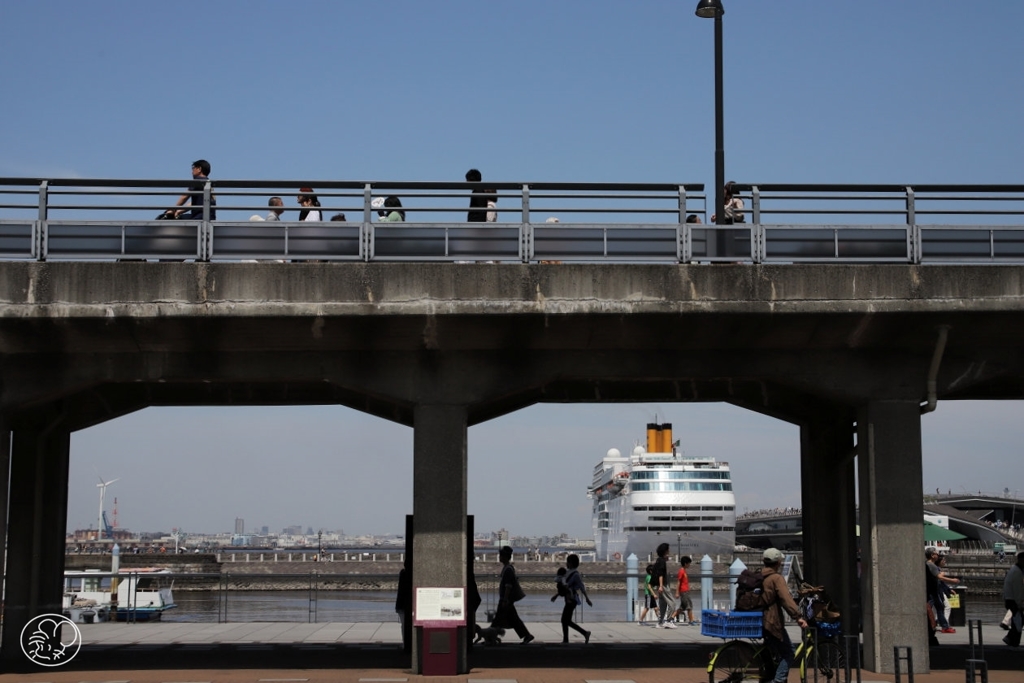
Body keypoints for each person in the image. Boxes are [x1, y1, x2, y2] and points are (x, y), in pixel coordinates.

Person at [759, 548, 808, 683]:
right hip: (771, 621)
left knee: (772, 653)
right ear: (778, 562)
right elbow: (786, 599)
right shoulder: (776, 578)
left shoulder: (758, 575)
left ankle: (767, 678)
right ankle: (778, 680)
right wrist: (798, 617)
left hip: (759, 620)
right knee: (789, 652)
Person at [496, 545, 534, 644]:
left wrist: (505, 599)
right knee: (510, 619)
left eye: (500, 555)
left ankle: (491, 638)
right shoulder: (508, 568)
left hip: (506, 599)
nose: (499, 557)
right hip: (507, 599)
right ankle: (527, 635)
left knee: (499, 619)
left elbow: (508, 586)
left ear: (504, 557)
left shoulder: (508, 569)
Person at [553, 554, 592, 644]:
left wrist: (587, 598)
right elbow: (565, 586)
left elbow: (581, 587)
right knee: (566, 620)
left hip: (572, 599)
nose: (566, 563)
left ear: (570, 563)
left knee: (565, 620)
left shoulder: (575, 575)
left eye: (568, 562)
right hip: (568, 599)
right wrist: (556, 595)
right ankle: (570, 638)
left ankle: (582, 634)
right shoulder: (568, 572)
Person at [926, 547, 958, 633]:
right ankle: (942, 626)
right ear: (932, 555)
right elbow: (939, 577)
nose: (938, 555)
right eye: (936, 554)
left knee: (938, 607)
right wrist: (952, 580)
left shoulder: (929, 564)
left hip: (933, 590)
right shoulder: (931, 565)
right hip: (932, 591)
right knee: (934, 608)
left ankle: (943, 625)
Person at [1003, 550, 1024, 647]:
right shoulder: (1017, 572)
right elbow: (1018, 590)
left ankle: (1011, 638)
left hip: (1009, 599)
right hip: (1013, 600)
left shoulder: (1014, 570)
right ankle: (1013, 640)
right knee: (1018, 620)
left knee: (1017, 620)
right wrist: (1020, 604)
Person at [653, 542, 675, 629]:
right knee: (672, 603)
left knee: (663, 604)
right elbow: (661, 574)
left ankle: (660, 622)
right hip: (664, 585)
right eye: (668, 549)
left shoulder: (659, 560)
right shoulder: (662, 562)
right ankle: (668, 621)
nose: (669, 550)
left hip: (659, 585)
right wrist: (662, 586)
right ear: (665, 550)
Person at [671, 555, 695, 625]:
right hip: (684, 592)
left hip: (686, 591)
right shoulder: (681, 571)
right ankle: (691, 621)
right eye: (689, 563)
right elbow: (678, 582)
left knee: (682, 607)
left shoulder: (684, 571)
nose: (689, 565)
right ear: (685, 563)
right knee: (689, 606)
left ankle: (672, 618)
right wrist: (677, 592)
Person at [395, 558, 412, 653]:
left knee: (404, 626)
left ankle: (406, 643)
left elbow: (401, 592)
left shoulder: (403, 574)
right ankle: (408, 643)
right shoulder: (406, 575)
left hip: (401, 605)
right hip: (404, 604)